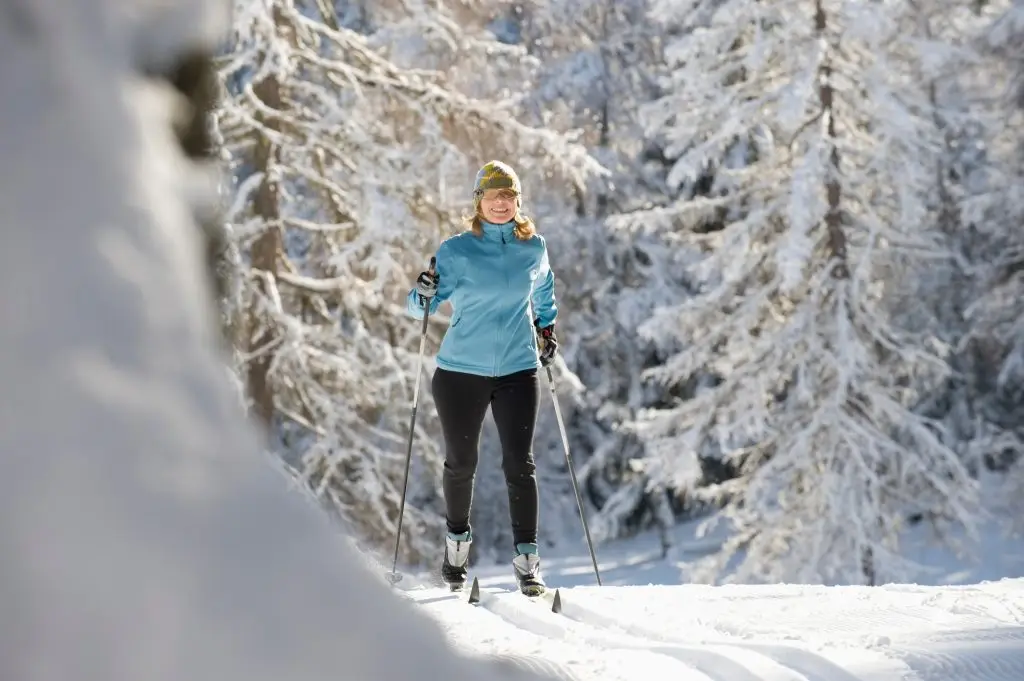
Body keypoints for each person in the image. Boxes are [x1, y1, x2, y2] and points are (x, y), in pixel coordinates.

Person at [406, 160, 560, 596]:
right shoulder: (457, 250)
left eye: (508, 196)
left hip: (518, 369)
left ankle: (528, 562)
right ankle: (456, 548)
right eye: (492, 196)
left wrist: (547, 328)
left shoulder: (533, 248)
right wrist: (422, 293)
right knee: (461, 462)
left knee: (519, 464)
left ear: (518, 201)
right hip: (460, 372)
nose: (500, 204)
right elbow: (419, 308)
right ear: (478, 202)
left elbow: (544, 290)